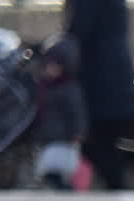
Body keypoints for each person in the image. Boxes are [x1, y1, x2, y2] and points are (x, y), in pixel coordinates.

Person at [64, 0, 134, 190]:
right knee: (102, 144)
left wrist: (48, 48)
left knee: (96, 143)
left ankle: (117, 192)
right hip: (114, 80)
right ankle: (115, 190)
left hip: (100, 84)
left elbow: (79, 33)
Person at [33, 34, 87, 191]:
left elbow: (77, 113)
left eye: (55, 65)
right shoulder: (46, 86)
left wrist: (78, 132)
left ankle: (66, 191)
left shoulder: (69, 89)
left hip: (62, 137)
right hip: (49, 137)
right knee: (51, 170)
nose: (51, 69)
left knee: (53, 170)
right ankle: (63, 190)